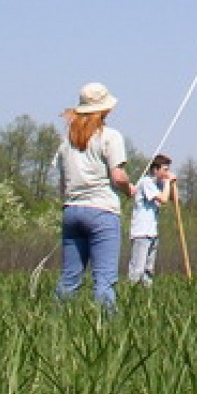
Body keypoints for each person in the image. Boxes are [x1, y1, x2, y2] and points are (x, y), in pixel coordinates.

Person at [54, 81, 133, 312]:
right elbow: (118, 177)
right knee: (104, 280)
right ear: (105, 110)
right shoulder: (111, 136)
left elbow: (62, 184)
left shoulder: (66, 142)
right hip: (102, 213)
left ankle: (56, 324)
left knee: (69, 280)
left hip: (72, 212)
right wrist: (130, 190)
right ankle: (106, 328)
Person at [128, 154, 176, 288]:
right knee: (137, 269)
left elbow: (172, 198)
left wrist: (171, 184)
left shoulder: (158, 184)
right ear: (156, 169)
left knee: (149, 270)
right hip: (141, 233)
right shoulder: (146, 182)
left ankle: (146, 298)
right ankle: (131, 296)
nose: (167, 173)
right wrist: (167, 183)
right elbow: (164, 199)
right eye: (165, 169)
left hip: (152, 233)